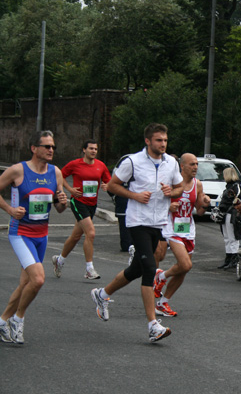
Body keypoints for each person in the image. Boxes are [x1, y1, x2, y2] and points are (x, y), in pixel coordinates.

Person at [91, 123, 183, 343]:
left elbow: (181, 187)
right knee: (150, 268)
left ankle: (102, 295)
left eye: (165, 140)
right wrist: (134, 195)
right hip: (137, 221)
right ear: (148, 141)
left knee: (136, 268)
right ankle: (153, 325)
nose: (163, 144)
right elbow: (112, 186)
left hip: (159, 222)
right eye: (159, 140)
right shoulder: (132, 161)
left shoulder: (171, 163)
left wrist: (173, 192)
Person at [0, 131, 68, 344]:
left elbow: (58, 207)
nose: (51, 150)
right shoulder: (18, 170)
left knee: (26, 284)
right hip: (20, 233)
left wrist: (63, 202)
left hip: (42, 235)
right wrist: (10, 210)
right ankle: (18, 320)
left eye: (53, 147)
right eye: (47, 146)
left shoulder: (55, 172)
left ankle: (2, 322)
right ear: (34, 148)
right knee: (38, 279)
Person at [152, 153, 209, 317]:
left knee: (183, 270)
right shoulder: (171, 182)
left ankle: (163, 303)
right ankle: (161, 276)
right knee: (185, 265)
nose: (195, 167)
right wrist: (168, 207)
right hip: (171, 227)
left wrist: (205, 204)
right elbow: (156, 200)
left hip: (188, 229)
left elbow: (198, 210)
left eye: (197, 164)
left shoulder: (197, 184)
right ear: (182, 166)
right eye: (192, 164)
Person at [51, 139, 111, 280]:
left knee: (75, 236)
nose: (93, 151)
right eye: (91, 148)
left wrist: (106, 185)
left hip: (92, 203)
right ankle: (89, 269)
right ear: (84, 150)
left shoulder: (100, 165)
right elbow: (60, 175)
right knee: (90, 233)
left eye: (95, 149)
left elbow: (108, 180)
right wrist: (70, 189)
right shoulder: (75, 164)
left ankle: (59, 260)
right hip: (78, 202)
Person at [216, 167, 241, 270]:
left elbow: (236, 200)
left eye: (224, 174)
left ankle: (234, 260)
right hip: (226, 214)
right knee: (227, 238)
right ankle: (229, 259)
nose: (223, 176)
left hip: (231, 214)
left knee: (232, 237)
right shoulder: (231, 186)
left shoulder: (235, 186)